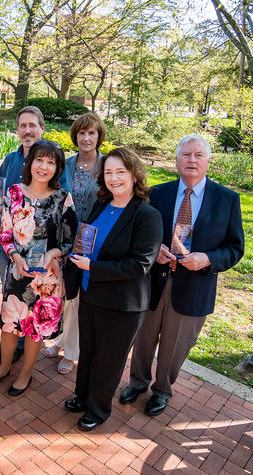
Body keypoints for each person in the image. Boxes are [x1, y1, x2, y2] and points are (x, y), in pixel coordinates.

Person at [120, 134, 244, 417]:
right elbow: (137, 233)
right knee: (144, 338)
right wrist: (153, 250)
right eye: (186, 155)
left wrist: (208, 259)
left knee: (175, 346)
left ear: (208, 161)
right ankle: (138, 382)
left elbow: (235, 249)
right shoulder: (156, 194)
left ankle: (162, 390)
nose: (192, 160)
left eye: (198, 155)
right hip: (153, 281)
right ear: (176, 161)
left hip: (193, 286)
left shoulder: (227, 200)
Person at [64, 148, 163, 431]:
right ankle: (81, 396)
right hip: (90, 293)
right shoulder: (102, 204)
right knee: (89, 350)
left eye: (120, 172)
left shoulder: (147, 215)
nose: (114, 178)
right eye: (108, 172)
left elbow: (140, 264)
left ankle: (97, 409)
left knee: (109, 360)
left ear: (134, 175)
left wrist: (92, 267)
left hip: (123, 304)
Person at [0, 140, 76, 396]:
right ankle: (3, 367)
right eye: (39, 160)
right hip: (18, 272)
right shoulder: (13, 192)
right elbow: (4, 234)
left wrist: (55, 253)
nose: (44, 167)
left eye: (51, 162)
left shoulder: (62, 198)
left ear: (57, 168)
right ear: (30, 162)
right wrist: (15, 257)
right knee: (10, 324)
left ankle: (25, 375)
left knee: (36, 328)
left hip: (47, 278)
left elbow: (72, 239)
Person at [45, 112, 106, 374]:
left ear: (99, 136)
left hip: (92, 241)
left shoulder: (106, 166)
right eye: (82, 133)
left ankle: (71, 351)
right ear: (75, 136)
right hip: (63, 237)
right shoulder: (66, 164)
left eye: (91, 132)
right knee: (64, 292)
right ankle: (60, 339)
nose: (86, 137)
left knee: (79, 296)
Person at [0, 106, 46, 362]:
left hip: (35, 248)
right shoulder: (11, 159)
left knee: (30, 296)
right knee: (9, 293)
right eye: (22, 126)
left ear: (41, 129)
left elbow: (59, 197)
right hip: (8, 245)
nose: (27, 130)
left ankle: (24, 343)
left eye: (32, 125)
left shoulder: (50, 160)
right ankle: (9, 340)